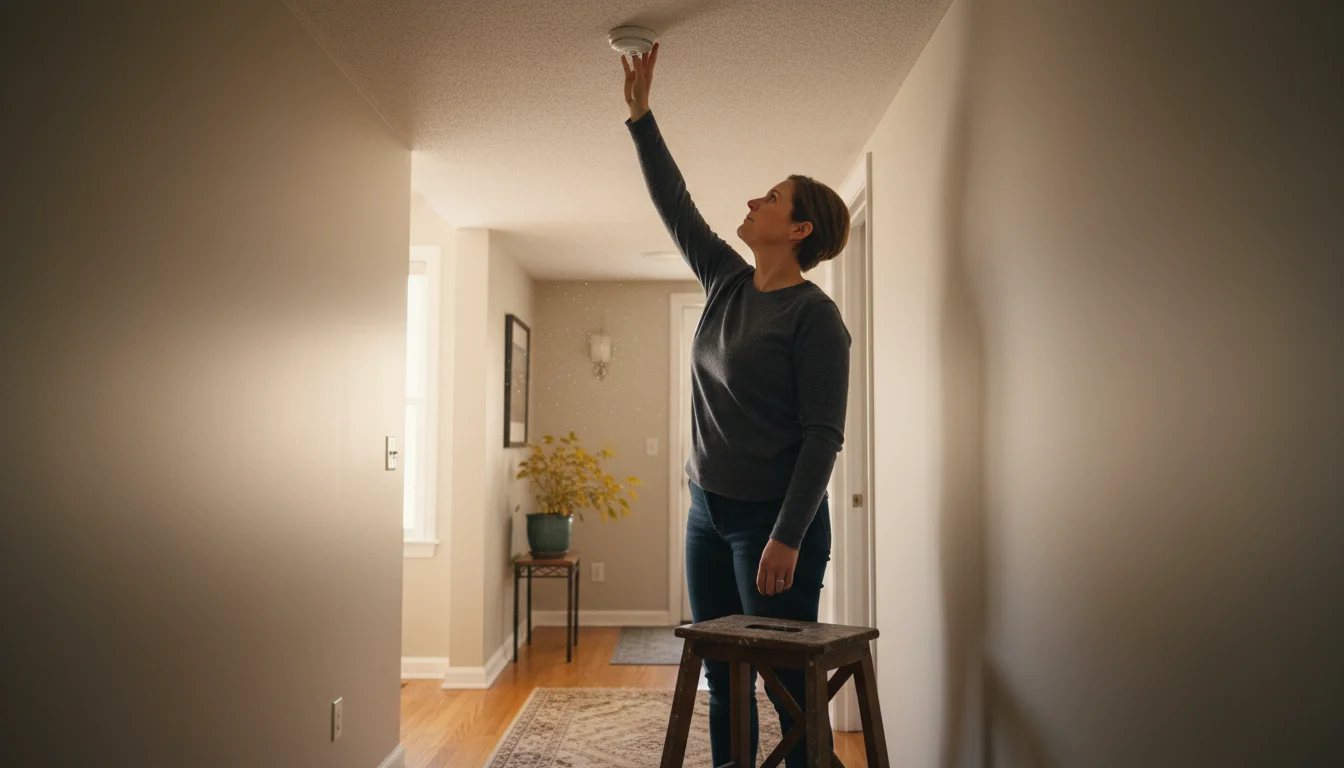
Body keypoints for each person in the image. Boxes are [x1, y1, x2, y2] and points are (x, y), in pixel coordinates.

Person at [622, 43, 852, 768]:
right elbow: (675, 204)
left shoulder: (815, 319)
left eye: (772, 198)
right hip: (707, 513)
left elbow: (822, 437)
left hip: (774, 529)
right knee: (724, 681)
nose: (753, 202)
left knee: (786, 690)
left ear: (799, 229)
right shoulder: (725, 279)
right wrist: (641, 117)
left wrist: (787, 535)